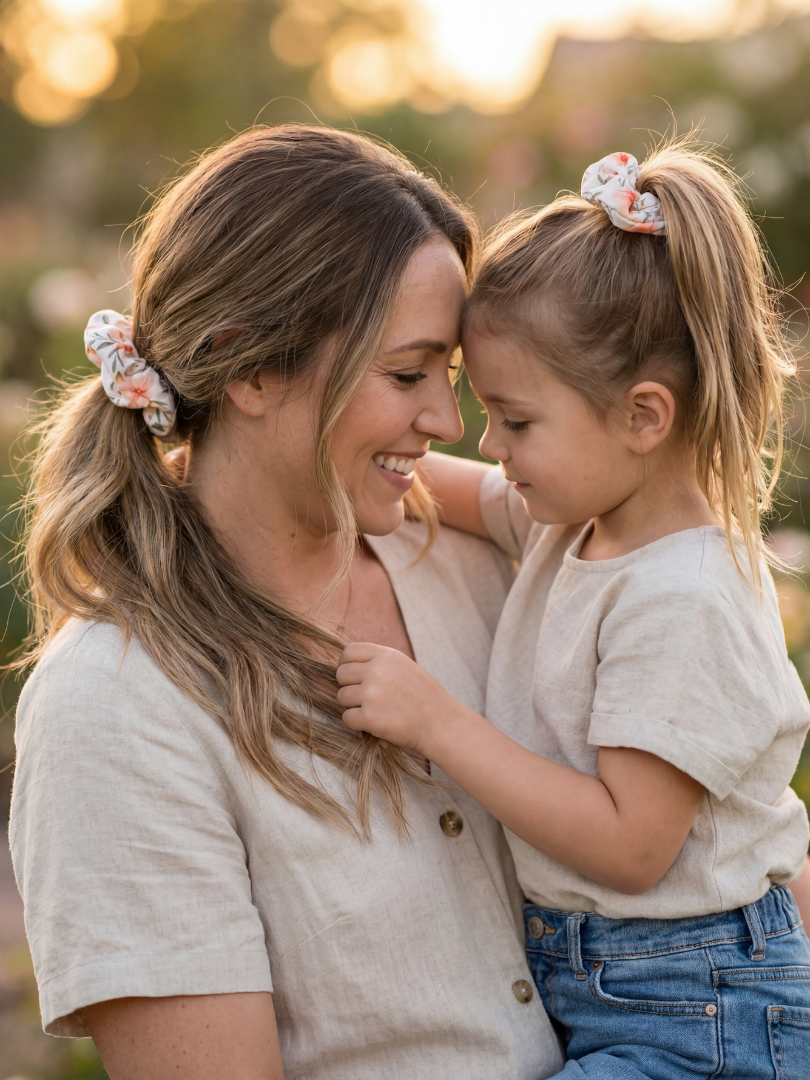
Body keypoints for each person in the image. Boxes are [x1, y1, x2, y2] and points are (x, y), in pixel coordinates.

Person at [9, 125, 565, 1080]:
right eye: (406, 374)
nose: (445, 419)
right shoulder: (114, 708)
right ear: (250, 367)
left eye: (452, 375)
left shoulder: (482, 564)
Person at [336, 143, 810, 1078]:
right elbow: (442, 483)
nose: (489, 442)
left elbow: (632, 845)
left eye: (516, 420)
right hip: (604, 979)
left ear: (643, 417)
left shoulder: (681, 599)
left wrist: (437, 722)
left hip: (699, 1005)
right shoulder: (575, 520)